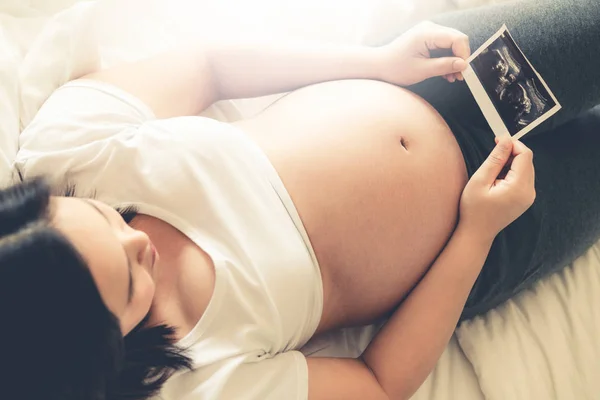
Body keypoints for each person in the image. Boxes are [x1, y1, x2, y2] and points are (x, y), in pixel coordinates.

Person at [3, 0, 599, 398]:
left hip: (438, 84)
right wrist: (477, 231)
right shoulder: (193, 384)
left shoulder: (65, 153)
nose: (138, 240)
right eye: (131, 280)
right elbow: (377, 383)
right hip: (492, 236)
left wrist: (379, 62)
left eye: (104, 218)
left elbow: (210, 66)